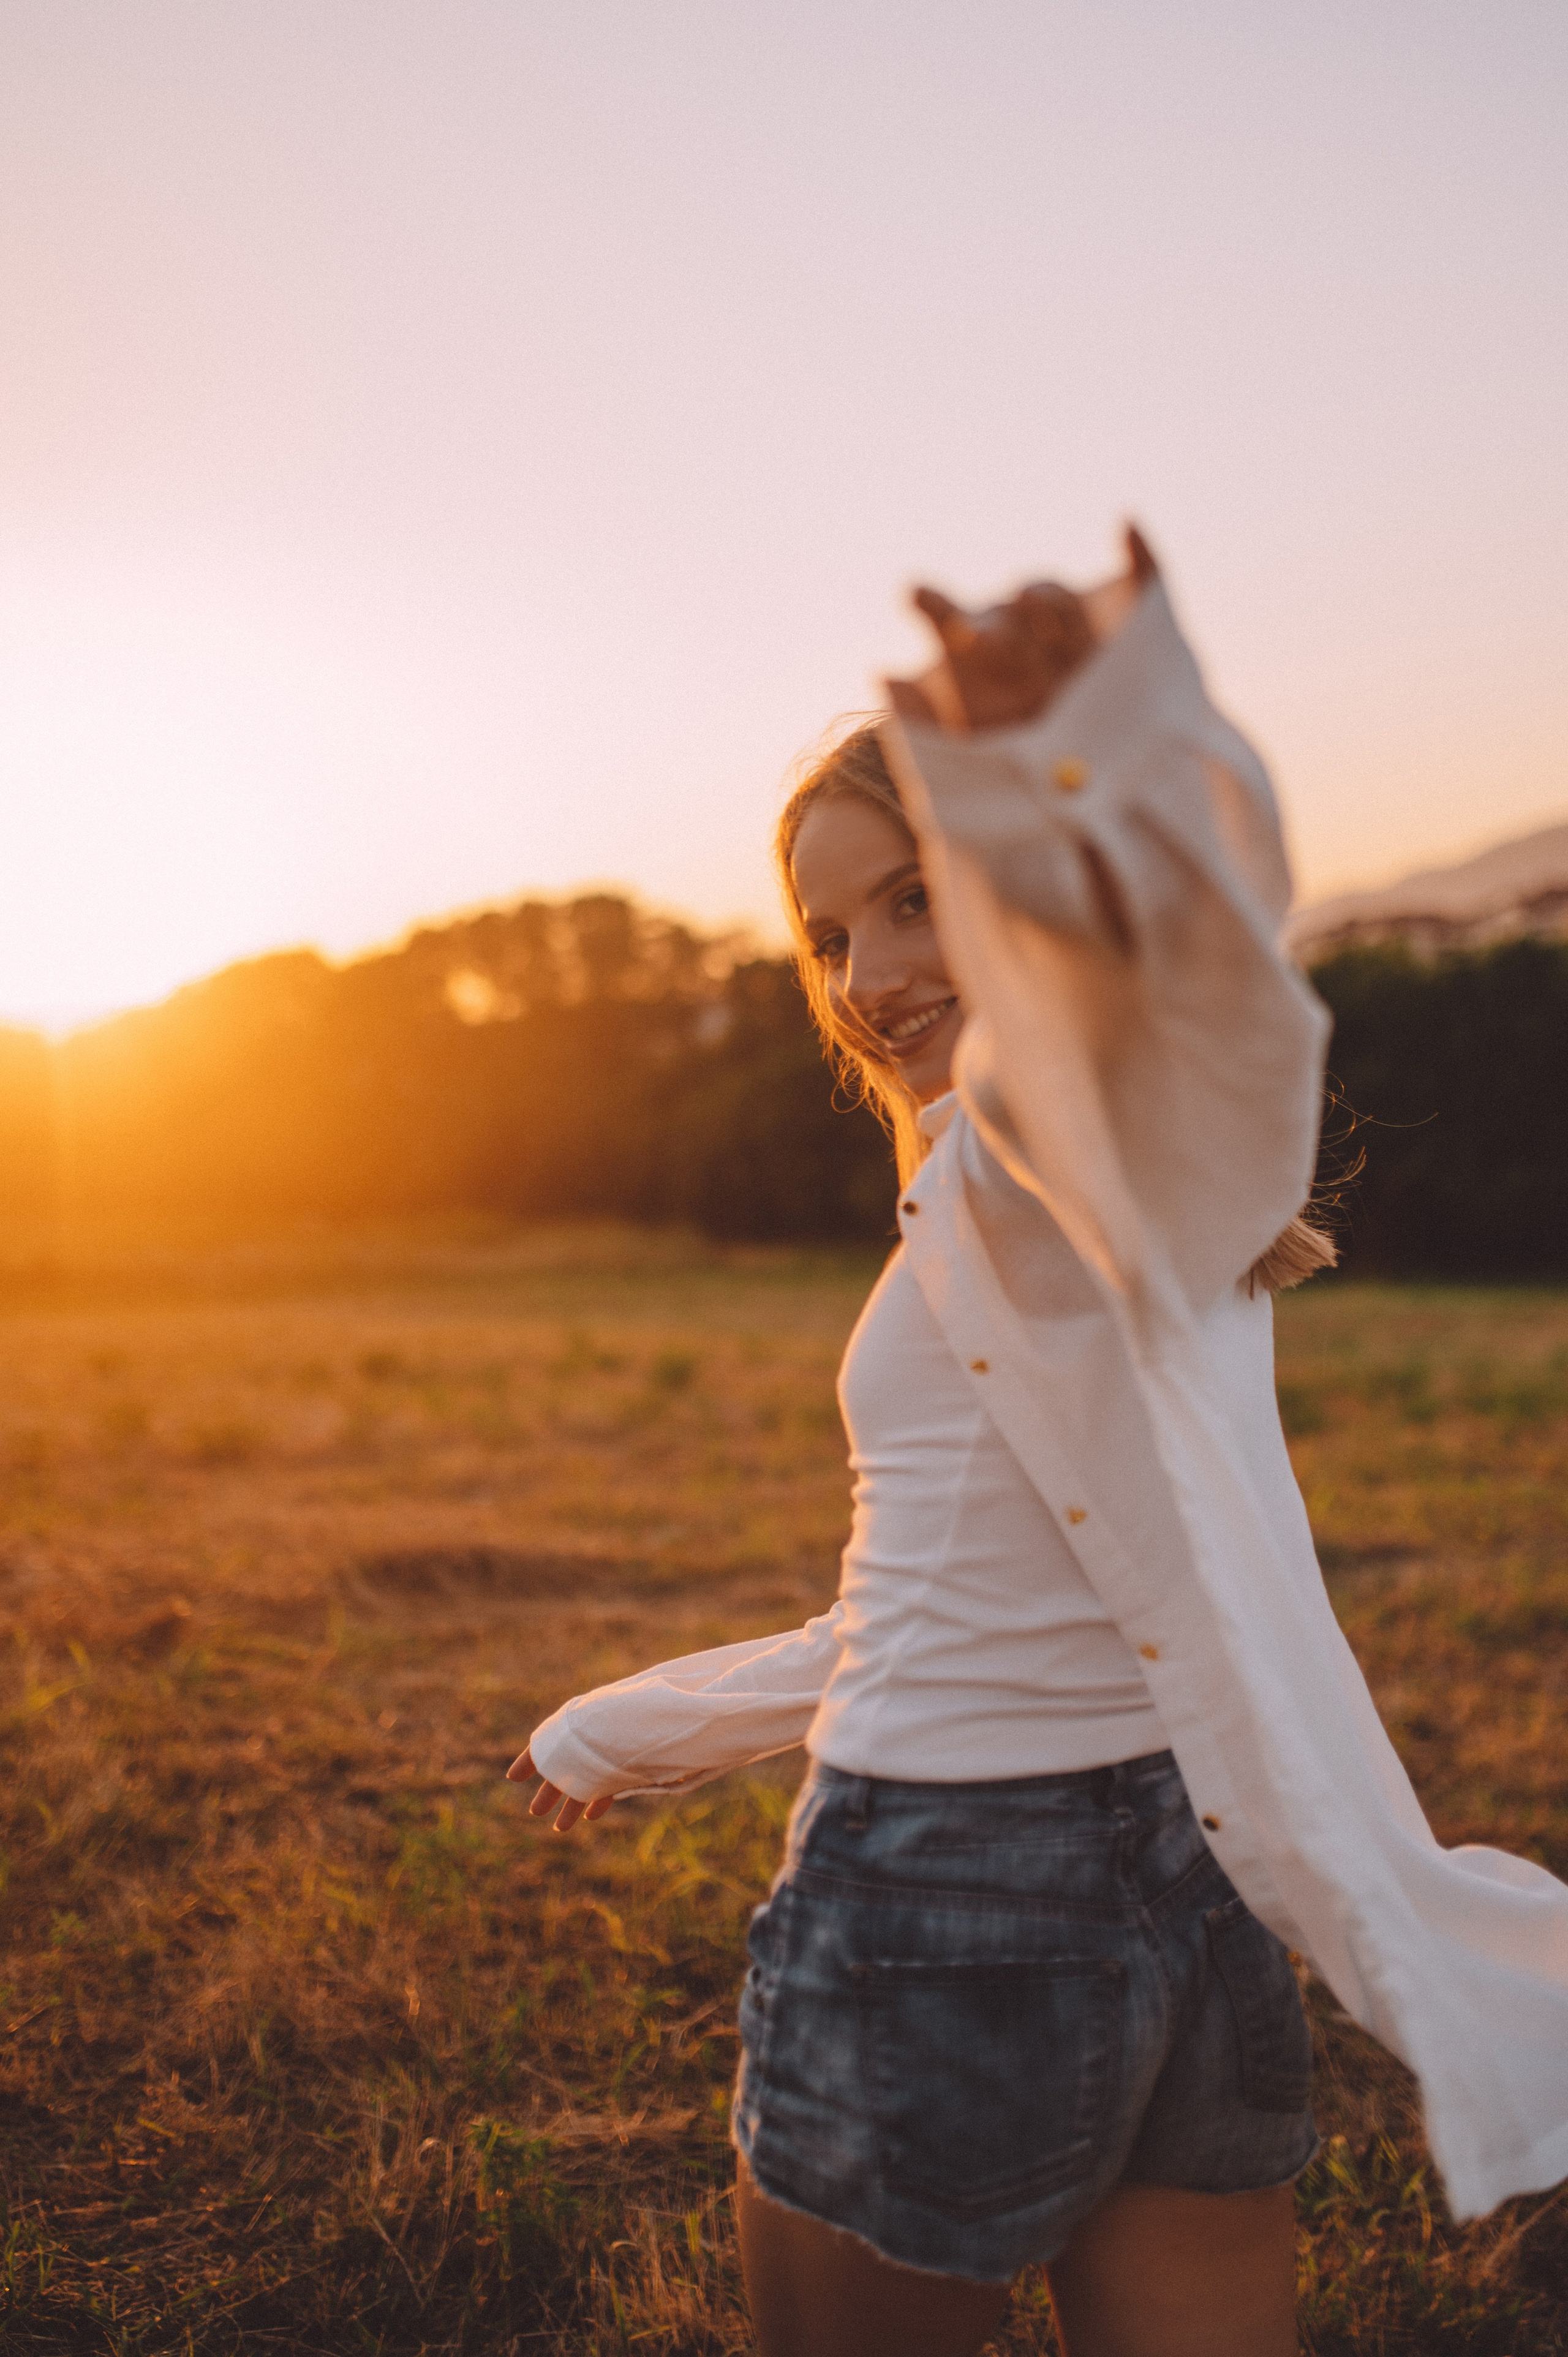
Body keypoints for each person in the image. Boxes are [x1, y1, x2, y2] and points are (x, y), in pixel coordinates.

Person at [510, 530, 1568, 2357]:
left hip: (942, 1900)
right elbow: (969, 1602)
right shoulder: (1045, 1202)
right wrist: (647, 1721)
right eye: (832, 935)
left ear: (1030, 882)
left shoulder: (1048, 1157)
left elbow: (1227, 1014)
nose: (867, 975)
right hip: (1193, 1875)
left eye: (922, 897)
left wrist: (1091, 760)